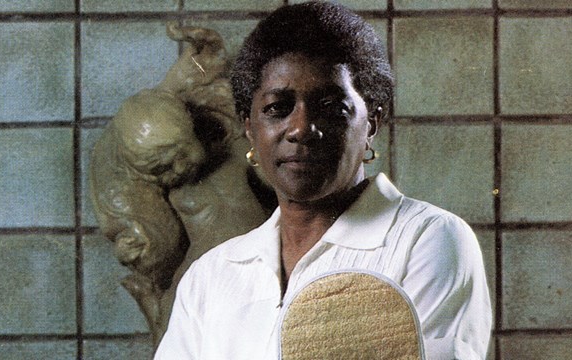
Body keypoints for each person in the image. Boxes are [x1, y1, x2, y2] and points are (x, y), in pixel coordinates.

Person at [154, 1, 492, 359]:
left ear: (372, 123)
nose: (301, 128)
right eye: (277, 108)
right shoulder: (210, 275)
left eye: (332, 107)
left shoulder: (426, 241)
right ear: (249, 128)